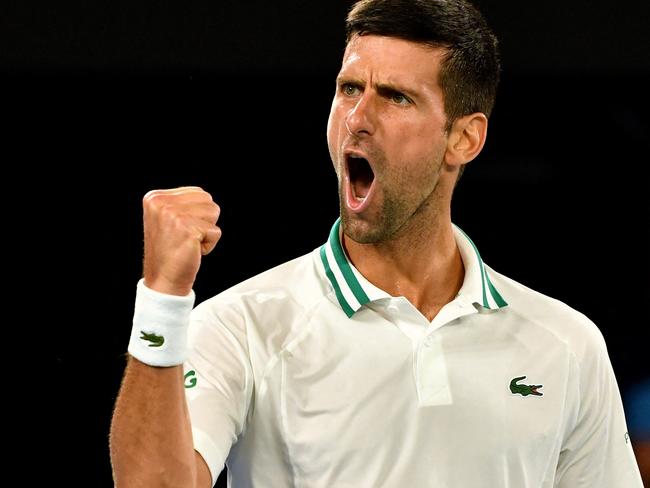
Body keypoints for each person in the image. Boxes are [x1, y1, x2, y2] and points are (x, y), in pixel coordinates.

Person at [109, 0, 643, 486]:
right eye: (348, 89)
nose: (357, 120)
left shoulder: (568, 344)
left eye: (395, 97)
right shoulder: (241, 327)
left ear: (464, 138)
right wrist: (162, 299)